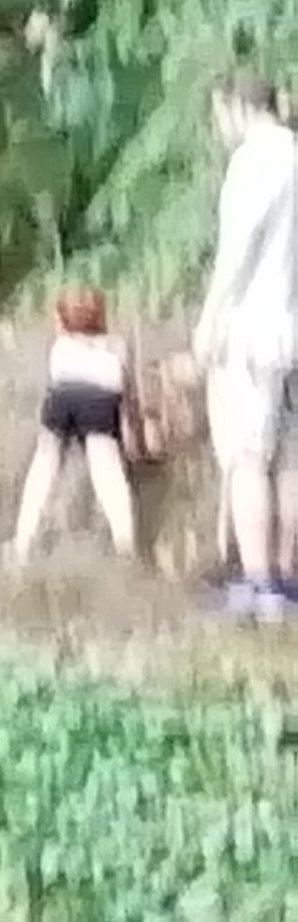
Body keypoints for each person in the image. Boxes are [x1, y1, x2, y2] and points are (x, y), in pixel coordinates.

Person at [194, 71, 298, 616]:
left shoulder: (254, 162)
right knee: (289, 459)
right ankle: (286, 575)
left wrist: (209, 319)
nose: (219, 126)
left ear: (237, 106)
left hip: (252, 330)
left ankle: (259, 584)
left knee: (247, 457)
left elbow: (237, 251)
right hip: (292, 326)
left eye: (219, 114)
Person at [7, 285, 141, 566]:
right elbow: (128, 397)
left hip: (63, 397)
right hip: (101, 402)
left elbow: (54, 378)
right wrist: (133, 433)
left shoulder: (61, 345)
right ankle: (125, 548)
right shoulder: (117, 345)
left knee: (43, 469)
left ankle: (22, 545)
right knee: (109, 477)